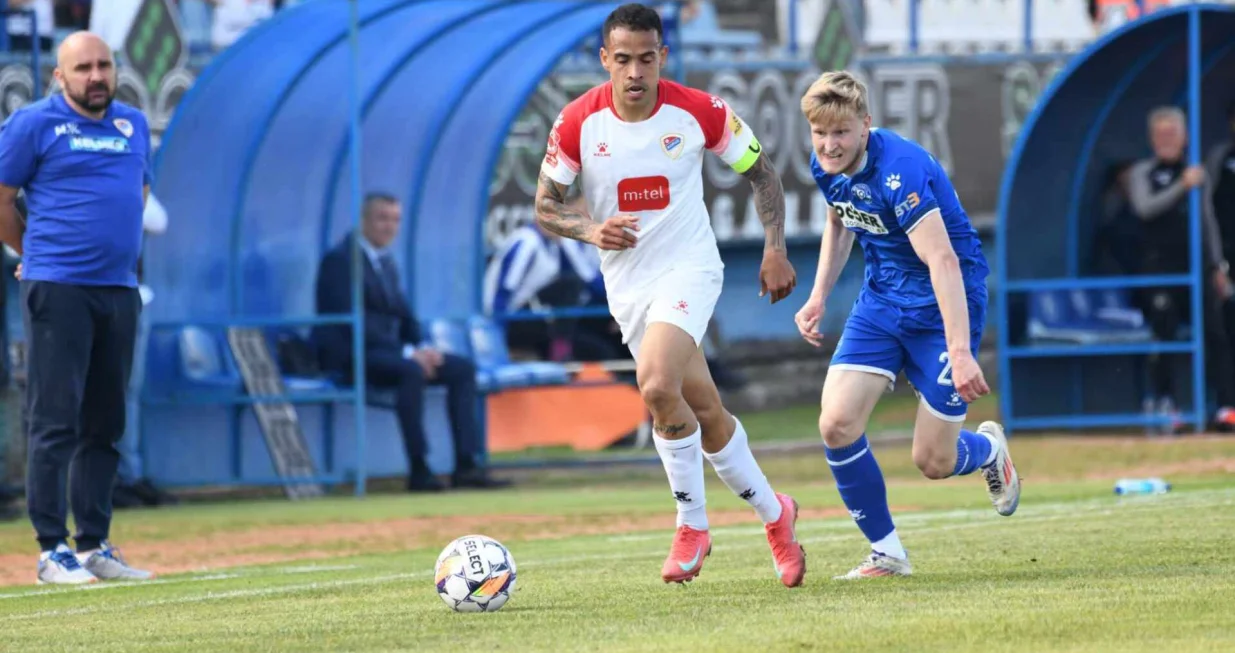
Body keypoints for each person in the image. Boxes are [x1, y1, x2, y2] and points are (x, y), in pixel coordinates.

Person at [534, 3, 805, 587]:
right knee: (703, 410)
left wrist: (775, 247)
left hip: (689, 269)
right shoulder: (579, 123)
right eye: (623, 59)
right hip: (628, 284)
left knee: (656, 385)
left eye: (647, 58)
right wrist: (590, 229)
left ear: (663, 57)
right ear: (605, 59)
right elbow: (546, 205)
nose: (636, 71)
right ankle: (776, 514)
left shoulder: (699, 112)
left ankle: (692, 525)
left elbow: (762, 173)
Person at [792, 71, 1020, 580]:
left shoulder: (901, 171)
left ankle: (987, 450)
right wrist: (818, 297)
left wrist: (960, 351)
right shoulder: (826, 163)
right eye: (820, 134)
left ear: (866, 125)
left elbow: (943, 261)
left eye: (841, 133)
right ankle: (888, 553)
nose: (829, 145)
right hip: (881, 302)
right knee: (835, 423)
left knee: (933, 461)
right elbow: (838, 218)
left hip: (943, 308)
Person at [0, 31, 155, 584]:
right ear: (59, 76)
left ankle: (93, 544)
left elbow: (135, 195)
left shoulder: (132, 124)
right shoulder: (33, 124)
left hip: (117, 287)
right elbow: (0, 196)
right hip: (58, 288)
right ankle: (50, 549)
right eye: (83, 67)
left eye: (104, 65)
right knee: (54, 419)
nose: (96, 76)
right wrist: (34, 252)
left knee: (105, 421)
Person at [314, 193, 509, 493]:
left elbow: (404, 314)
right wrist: (408, 354)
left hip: (390, 353)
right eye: (382, 218)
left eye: (395, 220)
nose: (389, 227)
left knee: (461, 369)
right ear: (364, 220)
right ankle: (419, 469)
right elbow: (350, 323)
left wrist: (422, 347)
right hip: (355, 355)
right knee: (411, 372)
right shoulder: (340, 260)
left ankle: (467, 465)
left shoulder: (385, 261)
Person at [1127, 106, 1235, 432]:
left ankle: (1225, 407)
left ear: (1185, 137)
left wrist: (1217, 265)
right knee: (1164, 334)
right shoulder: (1143, 173)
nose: (1167, 140)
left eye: (1173, 134)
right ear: (1152, 139)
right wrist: (1181, 188)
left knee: (1216, 332)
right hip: (1159, 271)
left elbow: (1207, 223)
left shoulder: (1196, 173)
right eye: (1161, 135)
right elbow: (1145, 208)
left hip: (1196, 268)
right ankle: (1167, 407)